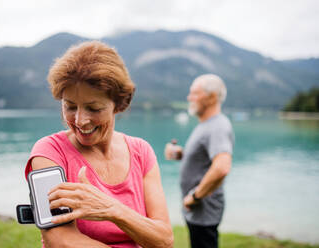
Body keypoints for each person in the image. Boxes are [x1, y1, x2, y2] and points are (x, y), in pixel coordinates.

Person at [25, 41, 173, 248]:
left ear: (120, 104)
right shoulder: (49, 152)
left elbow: (164, 240)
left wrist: (111, 209)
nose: (80, 120)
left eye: (93, 108)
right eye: (70, 106)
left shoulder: (142, 152)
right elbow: (60, 240)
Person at [164, 74, 234, 248]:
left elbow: (222, 167)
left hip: (203, 210)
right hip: (198, 211)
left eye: (194, 93)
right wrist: (182, 154)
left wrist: (195, 196)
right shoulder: (207, 124)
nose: (189, 98)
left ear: (211, 97)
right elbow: (206, 158)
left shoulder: (218, 126)